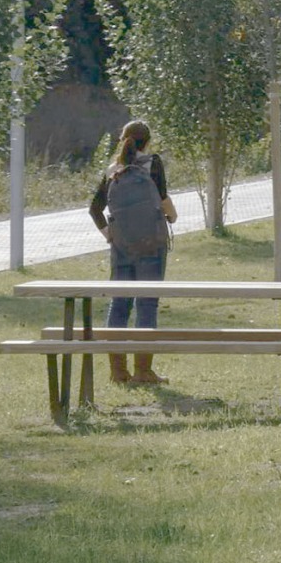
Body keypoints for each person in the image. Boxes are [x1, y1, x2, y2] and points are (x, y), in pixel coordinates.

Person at [89, 119, 179, 386]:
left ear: (122, 140)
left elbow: (94, 209)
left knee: (119, 304)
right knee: (147, 303)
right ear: (147, 141)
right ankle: (143, 371)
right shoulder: (153, 163)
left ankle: (118, 372)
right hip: (151, 244)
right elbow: (163, 198)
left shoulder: (112, 170)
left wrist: (110, 235)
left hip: (122, 246)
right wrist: (172, 217)